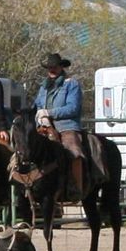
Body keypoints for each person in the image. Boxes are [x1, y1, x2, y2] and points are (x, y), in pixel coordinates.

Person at [34, 52, 85, 198]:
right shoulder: (43, 87)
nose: (52, 70)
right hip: (44, 125)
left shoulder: (72, 84)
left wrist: (50, 113)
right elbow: (37, 104)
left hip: (66, 125)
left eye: (54, 67)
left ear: (61, 67)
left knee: (73, 150)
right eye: (49, 67)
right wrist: (38, 115)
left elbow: (73, 108)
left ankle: (75, 186)